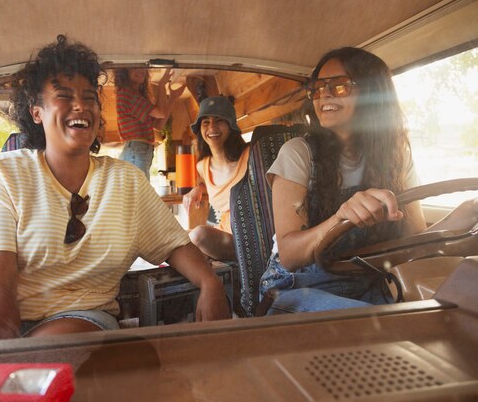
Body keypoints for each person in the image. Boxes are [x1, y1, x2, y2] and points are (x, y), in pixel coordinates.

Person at [0, 35, 229, 352]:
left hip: (76, 318)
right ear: (36, 112)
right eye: (63, 95)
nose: (80, 104)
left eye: (89, 97)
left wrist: (210, 283)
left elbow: (174, 245)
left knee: (55, 351)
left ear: (98, 116)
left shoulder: (127, 182)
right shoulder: (0, 173)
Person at [258, 47, 430, 314]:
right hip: (296, 286)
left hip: (368, 281)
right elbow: (290, 255)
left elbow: (414, 237)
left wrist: (460, 220)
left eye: (339, 86)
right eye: (317, 88)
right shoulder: (298, 153)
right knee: (377, 327)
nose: (323, 94)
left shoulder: (396, 157)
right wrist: (340, 217)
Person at [182, 96, 249, 261]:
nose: (212, 127)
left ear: (231, 125)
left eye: (219, 120)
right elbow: (210, 185)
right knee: (176, 235)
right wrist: (199, 189)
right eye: (206, 122)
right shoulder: (202, 166)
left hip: (247, 241)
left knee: (198, 234)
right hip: (223, 233)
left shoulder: (250, 155)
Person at [115, 68, 186, 178]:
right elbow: (161, 113)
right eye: (135, 67)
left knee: (138, 191)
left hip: (138, 149)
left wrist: (172, 98)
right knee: (139, 192)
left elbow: (158, 125)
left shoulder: (135, 96)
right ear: (124, 72)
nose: (141, 70)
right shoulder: (127, 94)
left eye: (143, 67)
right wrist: (161, 84)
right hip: (136, 149)